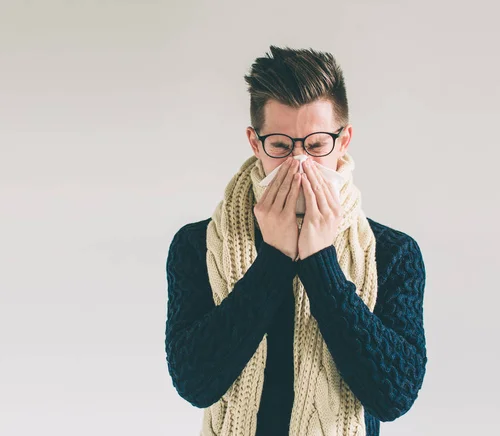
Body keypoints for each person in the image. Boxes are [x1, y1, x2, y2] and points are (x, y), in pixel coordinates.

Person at [165, 45, 427, 436]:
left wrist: (321, 261)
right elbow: (195, 383)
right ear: (256, 144)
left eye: (317, 145)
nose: (299, 163)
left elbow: (392, 397)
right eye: (282, 146)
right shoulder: (197, 245)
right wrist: (273, 258)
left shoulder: (392, 253)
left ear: (344, 140)